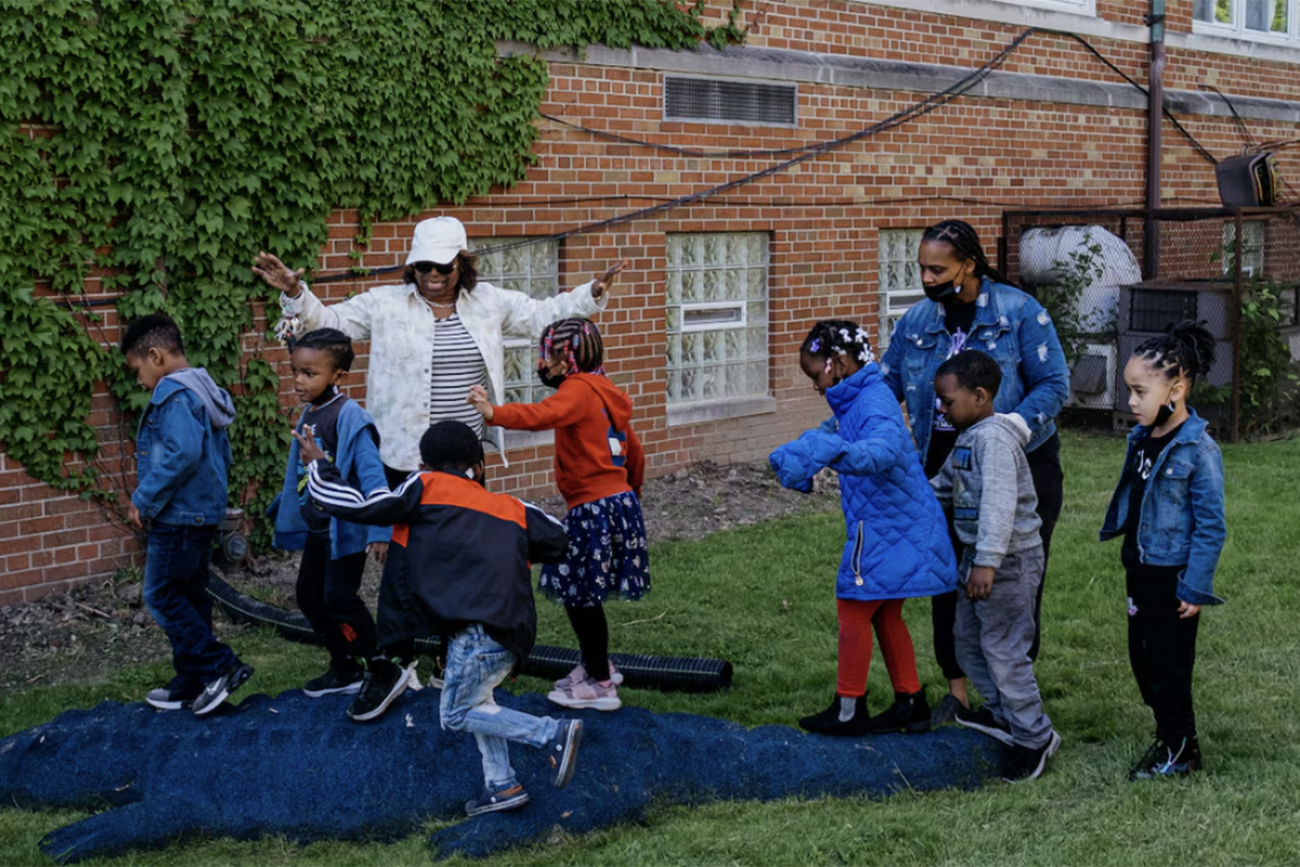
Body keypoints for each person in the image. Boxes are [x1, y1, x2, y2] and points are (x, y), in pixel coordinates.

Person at [252, 217, 628, 719]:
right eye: (424, 265)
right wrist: (297, 294)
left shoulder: (488, 303)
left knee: (463, 563)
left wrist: (591, 293)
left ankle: (454, 662)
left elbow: (544, 314)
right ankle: (394, 660)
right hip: (402, 459)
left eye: (444, 266)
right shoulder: (386, 304)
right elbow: (331, 323)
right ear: (413, 265)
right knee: (401, 568)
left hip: (463, 463)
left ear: (461, 264)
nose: (434, 275)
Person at [297, 420, 583, 816]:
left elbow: (361, 506)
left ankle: (550, 733)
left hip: (476, 634)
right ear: (478, 468)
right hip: (513, 629)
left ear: (423, 465)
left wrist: (319, 466)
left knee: (457, 713)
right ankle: (502, 784)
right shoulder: (513, 508)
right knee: (482, 702)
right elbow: (559, 538)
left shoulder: (424, 488)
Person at [879, 219, 1069, 724]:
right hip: (944, 470)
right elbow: (882, 389)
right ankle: (960, 693)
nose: (926, 276)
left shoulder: (1020, 312)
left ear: (968, 264)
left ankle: (1010, 693)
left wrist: (1008, 430)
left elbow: (1054, 385)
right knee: (948, 578)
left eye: (936, 268)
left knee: (1010, 579)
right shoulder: (917, 322)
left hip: (1021, 467)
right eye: (920, 267)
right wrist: (833, 435)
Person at [768, 321, 957, 736]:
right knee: (886, 611)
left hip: (885, 525)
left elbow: (885, 449)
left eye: (816, 375)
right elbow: (835, 433)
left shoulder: (872, 400)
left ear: (837, 364)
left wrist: (833, 451)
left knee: (852, 605)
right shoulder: (859, 398)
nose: (816, 386)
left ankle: (849, 708)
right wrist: (808, 449)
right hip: (897, 520)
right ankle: (911, 703)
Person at [468, 318, 647, 712]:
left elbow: (540, 415)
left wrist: (492, 412)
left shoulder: (578, 390)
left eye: (547, 357)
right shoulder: (606, 391)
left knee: (578, 593)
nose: (542, 365)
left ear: (566, 361)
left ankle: (599, 684)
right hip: (617, 501)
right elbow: (632, 451)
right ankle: (597, 664)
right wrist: (628, 492)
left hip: (592, 506)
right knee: (583, 591)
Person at [1100, 321, 1225, 780]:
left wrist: (1195, 586)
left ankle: (1183, 750)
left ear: (1176, 388)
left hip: (1174, 578)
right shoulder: (1142, 438)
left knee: (1170, 667)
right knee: (1143, 661)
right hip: (1141, 569)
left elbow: (1212, 526)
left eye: (1139, 391)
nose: (1131, 402)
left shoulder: (1199, 449)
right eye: (1128, 391)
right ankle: (1167, 732)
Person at [929, 350, 1061, 782]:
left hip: (1006, 562)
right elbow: (942, 488)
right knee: (968, 641)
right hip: (977, 561)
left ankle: (1033, 737)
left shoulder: (995, 440)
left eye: (947, 402)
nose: (941, 409)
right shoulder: (968, 438)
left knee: (1005, 651)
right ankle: (1005, 714)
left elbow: (999, 507)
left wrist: (987, 562)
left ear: (980, 396)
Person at [121, 313, 253, 716]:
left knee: (160, 594)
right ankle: (193, 680)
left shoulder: (174, 395)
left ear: (156, 356)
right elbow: (221, 455)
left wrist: (143, 498)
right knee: (192, 597)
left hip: (178, 516)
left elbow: (181, 454)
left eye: (137, 369)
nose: (138, 379)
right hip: (200, 513)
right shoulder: (203, 389)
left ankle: (219, 667)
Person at [269, 329, 391, 710]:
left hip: (347, 529)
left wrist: (380, 529)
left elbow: (373, 478)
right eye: (296, 372)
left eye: (310, 374)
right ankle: (344, 666)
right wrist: (287, 505)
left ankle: (381, 667)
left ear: (338, 375)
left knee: (339, 598)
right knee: (309, 596)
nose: (299, 382)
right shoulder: (310, 413)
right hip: (319, 529)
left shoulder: (351, 418)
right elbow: (304, 473)